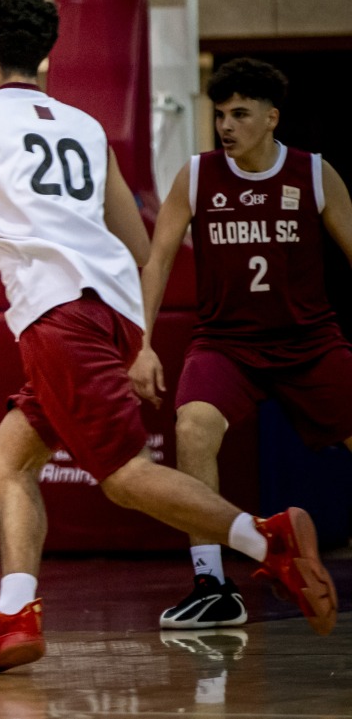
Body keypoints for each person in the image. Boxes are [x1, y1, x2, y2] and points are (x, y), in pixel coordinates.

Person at [0, 0, 338, 673]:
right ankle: (14, 612)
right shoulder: (85, 124)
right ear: (42, 56)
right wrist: (139, 339)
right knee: (8, 459)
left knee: (125, 475)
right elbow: (136, 236)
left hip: (58, 314)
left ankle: (266, 537)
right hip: (109, 309)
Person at [130, 57, 352, 629]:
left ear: (272, 118)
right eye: (220, 114)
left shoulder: (315, 173)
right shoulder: (198, 175)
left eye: (240, 114)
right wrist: (144, 343)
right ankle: (211, 584)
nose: (226, 125)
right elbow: (156, 262)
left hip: (309, 341)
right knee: (192, 428)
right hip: (226, 343)